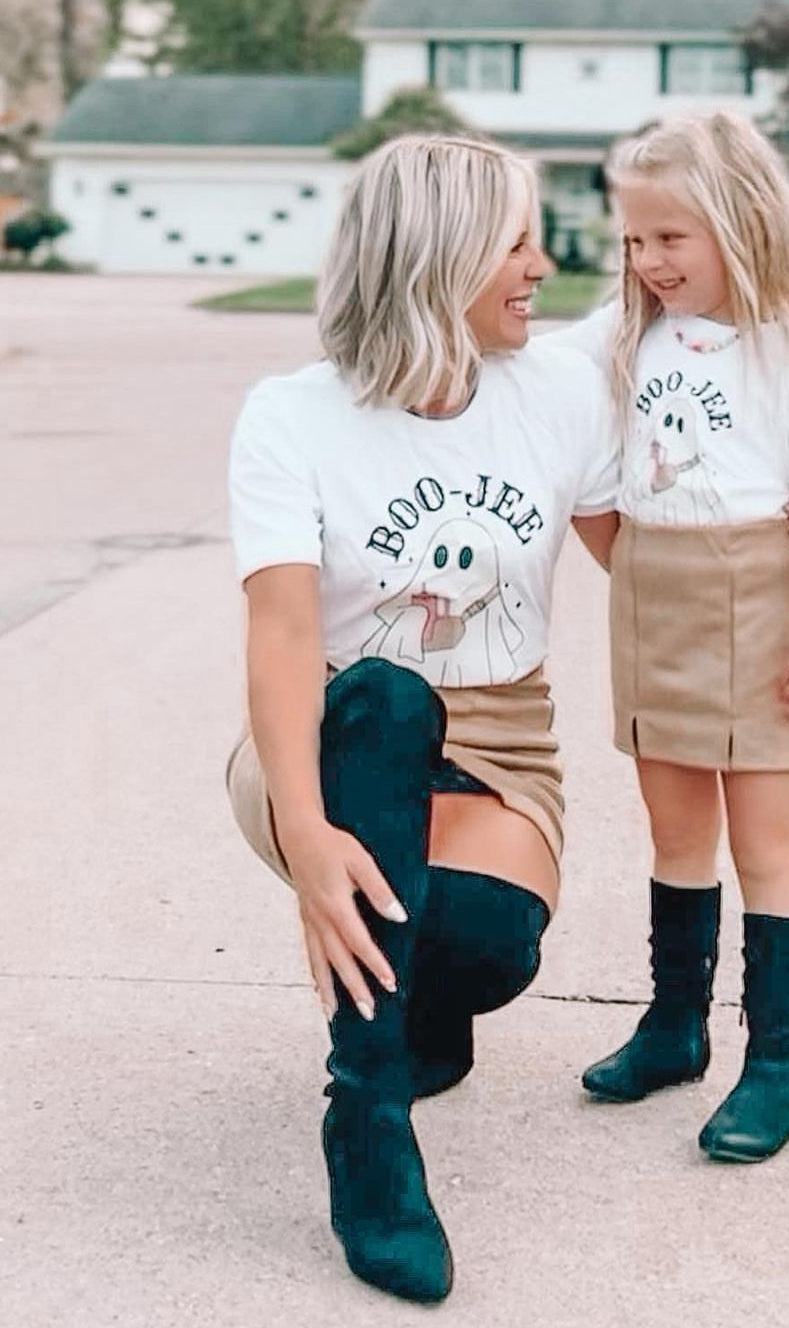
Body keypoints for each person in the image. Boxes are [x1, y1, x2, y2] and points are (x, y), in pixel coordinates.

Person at [224, 134, 621, 1303]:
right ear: (436, 256)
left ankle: (422, 1011)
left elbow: (637, 565)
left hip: (501, 735)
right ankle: (370, 1117)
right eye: (514, 239)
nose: (541, 264)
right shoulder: (292, 416)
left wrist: (779, 547)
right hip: (333, 733)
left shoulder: (556, 393)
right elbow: (287, 638)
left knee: (497, 943)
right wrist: (305, 835)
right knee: (391, 696)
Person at [556, 111, 789, 1163]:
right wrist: (643, 574)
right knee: (676, 830)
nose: (647, 260)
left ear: (739, 222)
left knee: (763, 839)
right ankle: (673, 1026)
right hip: (655, 589)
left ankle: (775, 1066)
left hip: (758, 597)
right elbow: (581, 463)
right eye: (634, 240)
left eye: (669, 239)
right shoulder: (622, 331)